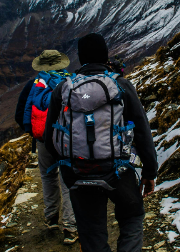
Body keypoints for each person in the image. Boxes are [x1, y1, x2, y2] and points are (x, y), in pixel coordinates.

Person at [44, 33, 158, 252]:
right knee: (132, 217)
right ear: (106, 55)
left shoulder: (63, 89)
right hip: (118, 172)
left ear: (81, 58)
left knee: (92, 235)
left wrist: (68, 166)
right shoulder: (121, 85)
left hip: (78, 172)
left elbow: (50, 138)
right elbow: (142, 131)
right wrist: (149, 172)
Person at [15, 49, 79, 245]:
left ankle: (51, 218)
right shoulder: (72, 82)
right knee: (67, 179)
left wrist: (34, 132)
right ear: (61, 64)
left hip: (43, 140)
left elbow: (20, 114)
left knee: (47, 176)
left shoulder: (34, 85)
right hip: (66, 139)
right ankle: (70, 227)